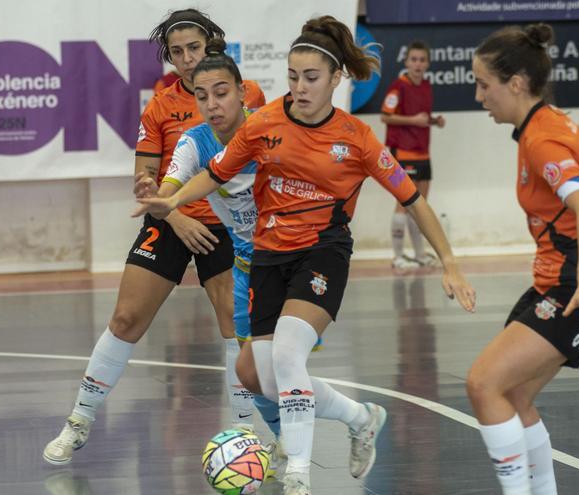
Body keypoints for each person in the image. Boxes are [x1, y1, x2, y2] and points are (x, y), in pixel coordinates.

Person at [134, 15, 476, 495]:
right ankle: (361, 417)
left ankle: (297, 472)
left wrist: (451, 263)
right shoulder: (267, 122)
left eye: (311, 78)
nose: (300, 87)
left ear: (336, 79)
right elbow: (214, 172)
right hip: (268, 256)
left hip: (322, 250)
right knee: (256, 374)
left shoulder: (357, 138)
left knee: (290, 354)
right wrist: (170, 201)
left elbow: (413, 199)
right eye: (292, 77)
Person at [41, 8, 266, 467]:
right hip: (172, 218)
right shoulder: (160, 107)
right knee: (126, 318)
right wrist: (170, 209)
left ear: (213, 46)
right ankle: (79, 421)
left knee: (233, 322)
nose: (186, 59)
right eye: (177, 51)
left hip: (228, 225)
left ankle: (244, 436)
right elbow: (145, 177)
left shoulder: (249, 95)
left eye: (194, 48)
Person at [467, 23, 579, 495]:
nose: (479, 97)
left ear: (515, 83)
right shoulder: (545, 125)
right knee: (512, 394)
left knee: (483, 384)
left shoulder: (542, 141)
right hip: (556, 280)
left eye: (484, 84)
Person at [380, 41, 446, 269]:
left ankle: (419, 254)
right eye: (413, 59)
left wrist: (433, 121)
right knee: (403, 203)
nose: (418, 64)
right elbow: (385, 116)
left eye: (422, 60)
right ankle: (398, 257)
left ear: (427, 63)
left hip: (423, 152)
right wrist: (413, 120)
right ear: (406, 62)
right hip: (403, 152)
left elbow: (421, 116)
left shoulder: (426, 86)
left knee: (421, 206)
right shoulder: (398, 86)